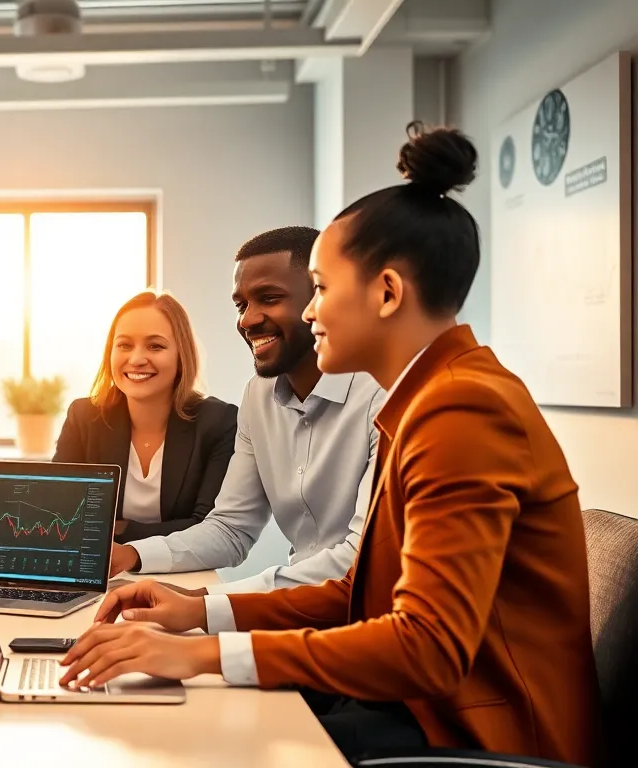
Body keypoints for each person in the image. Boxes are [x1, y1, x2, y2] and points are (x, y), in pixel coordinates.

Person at [58, 123, 598, 765]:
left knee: (211, 743)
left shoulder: (462, 408)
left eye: (321, 289)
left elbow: (426, 644)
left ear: (387, 293)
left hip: (475, 733)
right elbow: (364, 591)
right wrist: (201, 616)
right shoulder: (432, 396)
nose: (311, 313)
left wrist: (206, 647)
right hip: (424, 706)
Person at [109, 227, 384, 595]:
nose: (247, 320)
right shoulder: (258, 396)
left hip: (365, 615)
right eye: (241, 305)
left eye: (269, 298)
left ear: (320, 299)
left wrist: (209, 601)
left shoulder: (381, 396)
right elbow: (231, 529)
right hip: (300, 614)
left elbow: (359, 559)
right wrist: (132, 555)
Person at [53, 292, 237, 544]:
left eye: (156, 346)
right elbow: (58, 514)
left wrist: (120, 530)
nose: (137, 359)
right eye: (124, 345)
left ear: (181, 356)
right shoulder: (84, 417)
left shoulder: (218, 422)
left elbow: (207, 527)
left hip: (184, 572)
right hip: (101, 572)